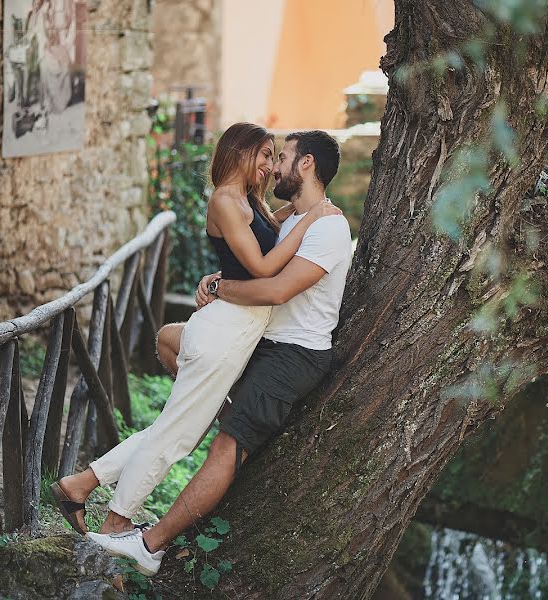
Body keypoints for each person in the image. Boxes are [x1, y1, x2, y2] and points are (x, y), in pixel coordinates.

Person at [50, 124, 342, 546]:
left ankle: (81, 484)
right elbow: (265, 270)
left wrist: (225, 275)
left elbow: (267, 241)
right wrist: (311, 217)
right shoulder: (231, 200)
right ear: (240, 153)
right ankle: (117, 520)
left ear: (307, 163)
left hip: (237, 334)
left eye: (276, 156)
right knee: (176, 436)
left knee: (177, 427)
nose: (271, 166)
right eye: (265, 155)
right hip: (225, 334)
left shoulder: (261, 205)